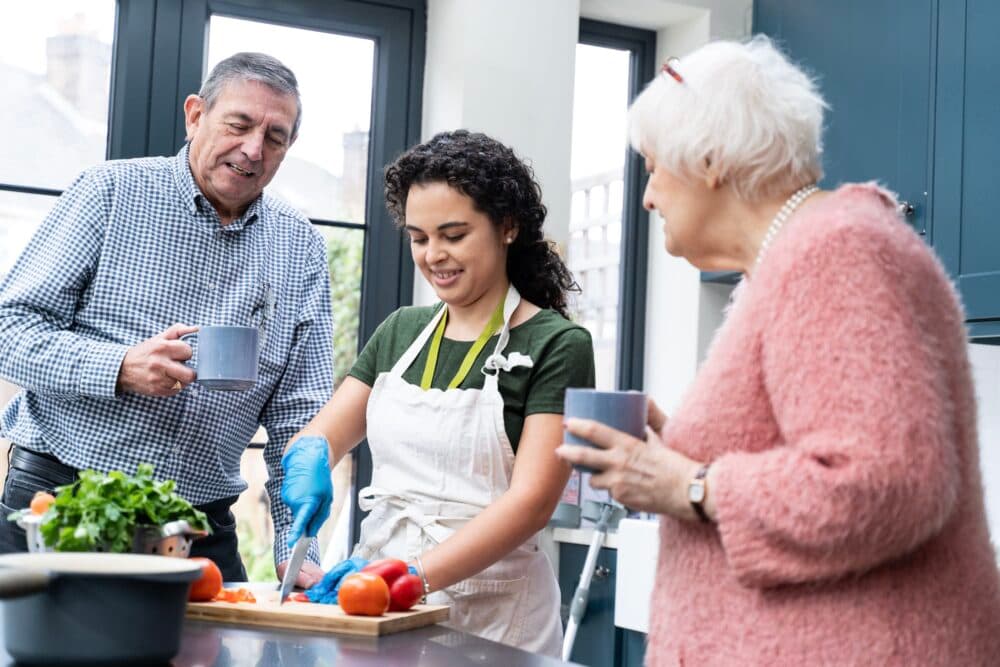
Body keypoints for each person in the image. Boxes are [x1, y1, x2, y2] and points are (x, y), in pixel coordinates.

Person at [555, 36, 1000, 665]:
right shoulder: (791, 261)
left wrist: (688, 484)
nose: (649, 195)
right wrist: (671, 455)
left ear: (708, 159)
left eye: (652, 166)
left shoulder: (838, 251)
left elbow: (886, 483)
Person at [0, 52, 334, 585]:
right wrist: (118, 366)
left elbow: (300, 413)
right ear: (196, 115)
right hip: (65, 502)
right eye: (239, 124)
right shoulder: (108, 192)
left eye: (275, 137)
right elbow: (10, 327)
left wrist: (298, 547)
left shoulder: (302, 247)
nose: (253, 149)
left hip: (201, 529)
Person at [279, 130, 595, 654]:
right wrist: (310, 457)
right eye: (419, 237)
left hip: (494, 616)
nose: (434, 256)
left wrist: (411, 576)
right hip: (378, 597)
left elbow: (531, 503)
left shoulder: (557, 344)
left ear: (508, 227)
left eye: (453, 234)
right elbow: (324, 433)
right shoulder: (401, 331)